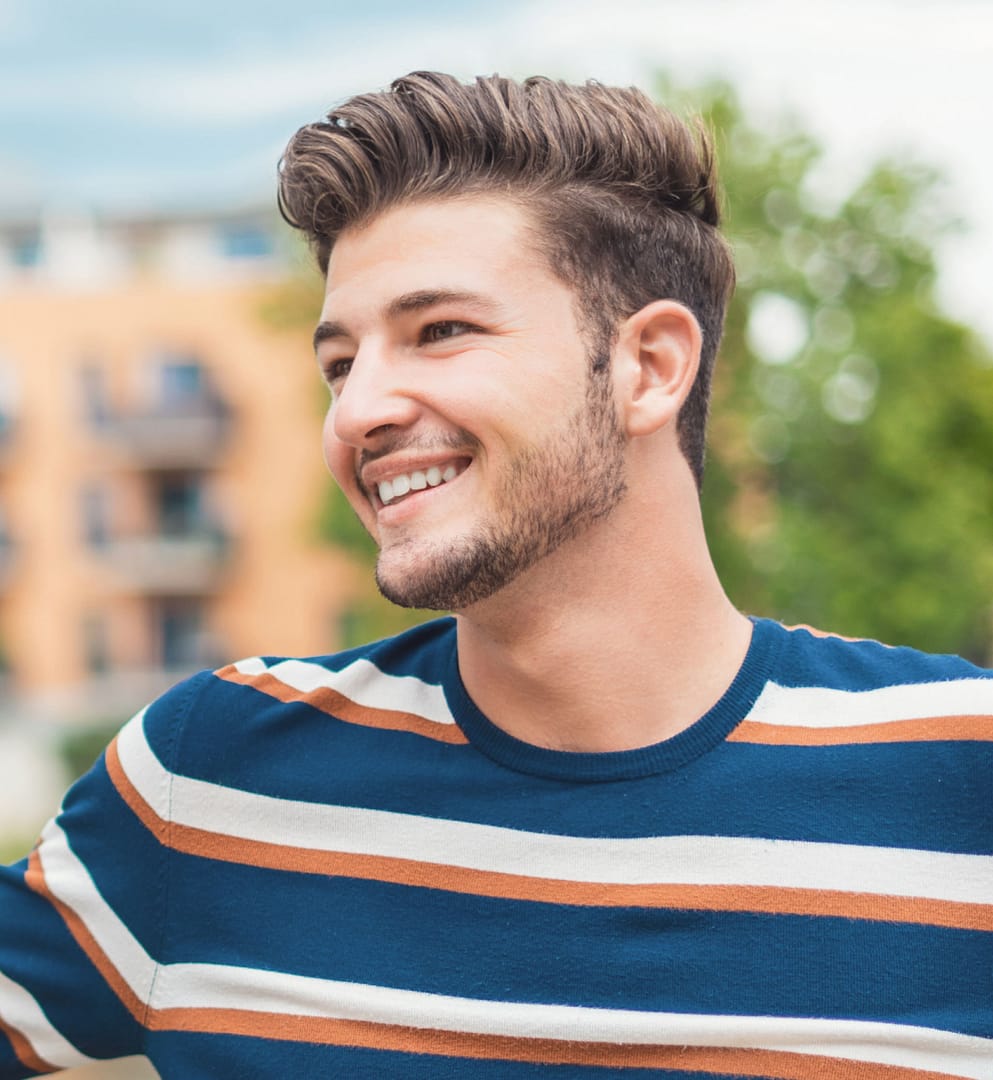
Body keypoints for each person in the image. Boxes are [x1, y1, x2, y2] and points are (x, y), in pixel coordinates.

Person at [1, 71, 991, 1080]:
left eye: (440, 332)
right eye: (340, 363)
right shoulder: (206, 781)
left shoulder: (966, 774)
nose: (357, 412)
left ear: (649, 366)